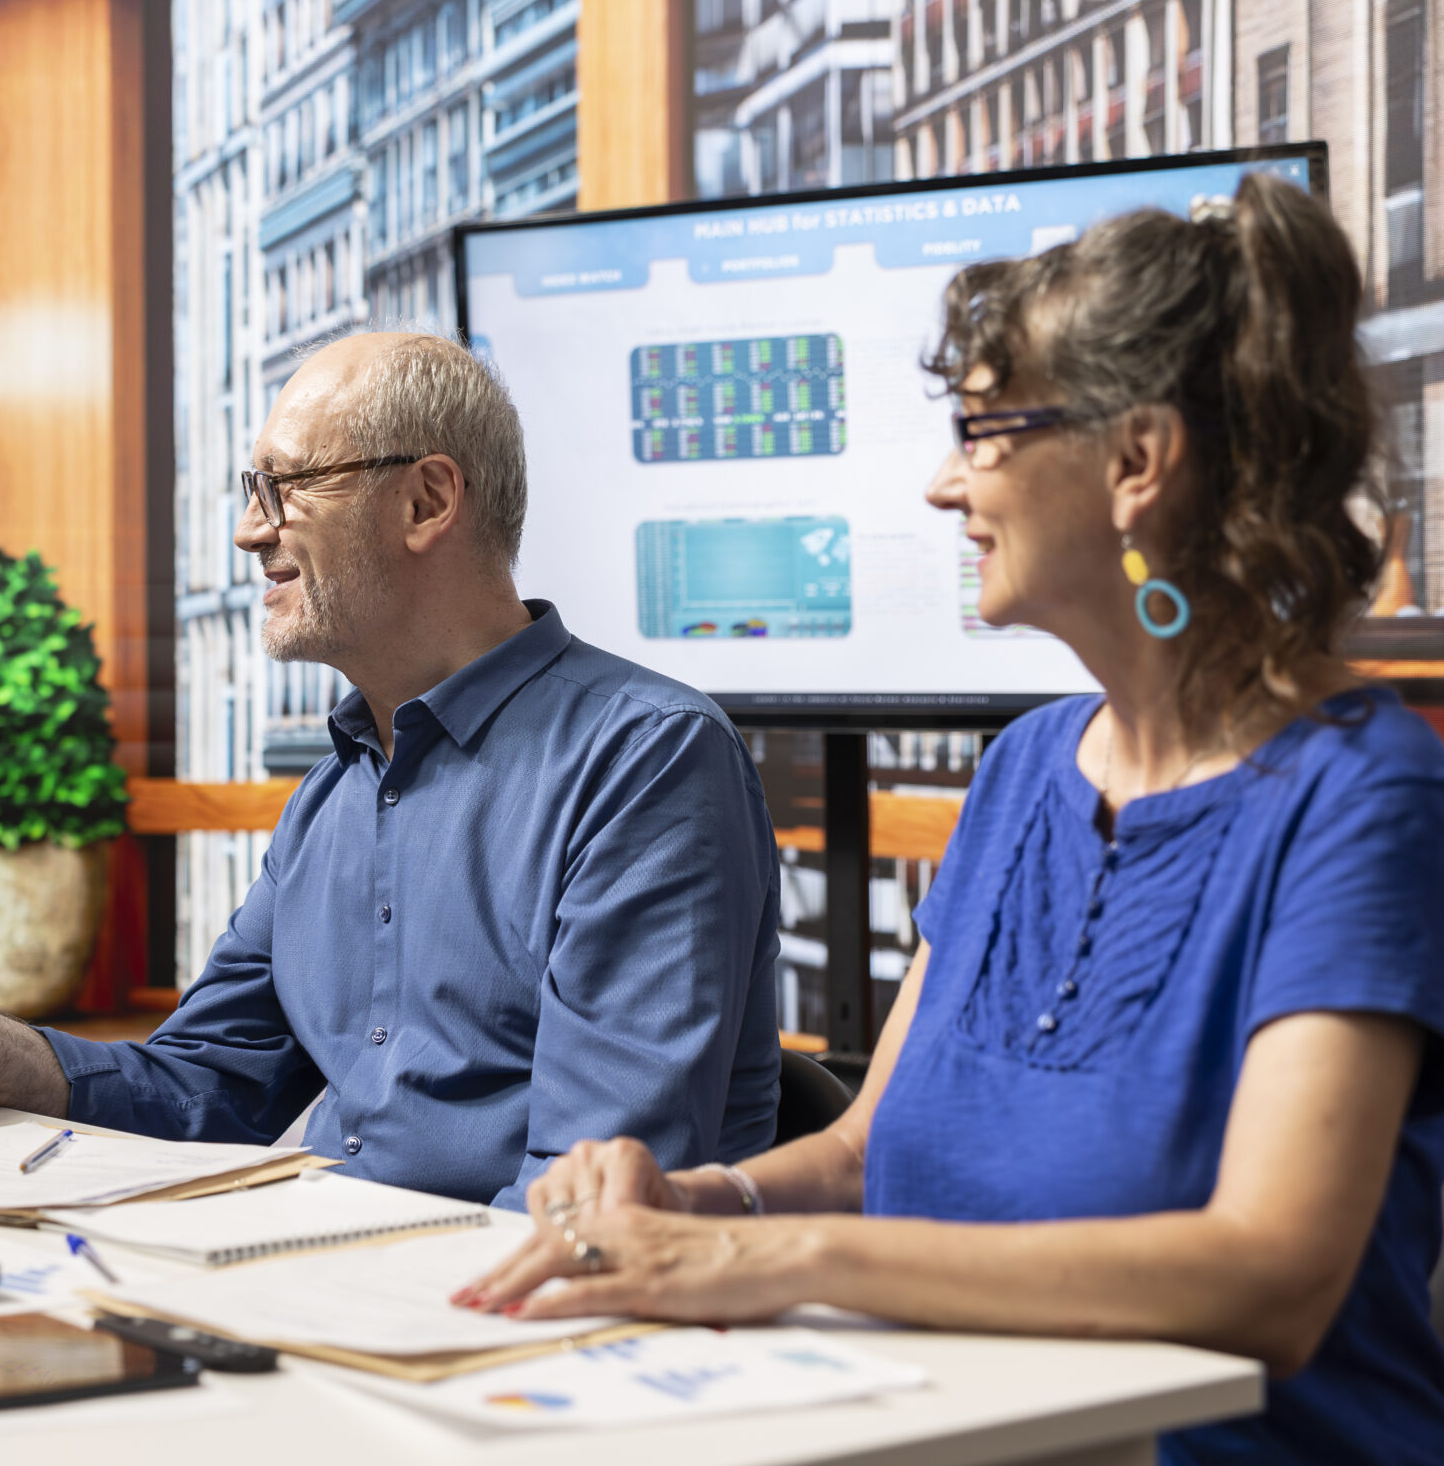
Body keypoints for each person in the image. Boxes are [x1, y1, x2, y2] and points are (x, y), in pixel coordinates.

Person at [459, 173, 1444, 1463]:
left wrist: (774, 1263)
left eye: (984, 434)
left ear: (1136, 461)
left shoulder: (1363, 792)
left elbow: (1267, 1276)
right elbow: (871, 1152)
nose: (940, 484)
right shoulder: (1024, 770)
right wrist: (705, 1201)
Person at [0, 331, 784, 1208]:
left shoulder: (644, 762)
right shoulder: (332, 795)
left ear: (427, 500)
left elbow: (595, 1190)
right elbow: (198, 1091)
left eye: (284, 489)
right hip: (347, 1290)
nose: (251, 530)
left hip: (519, 1347)